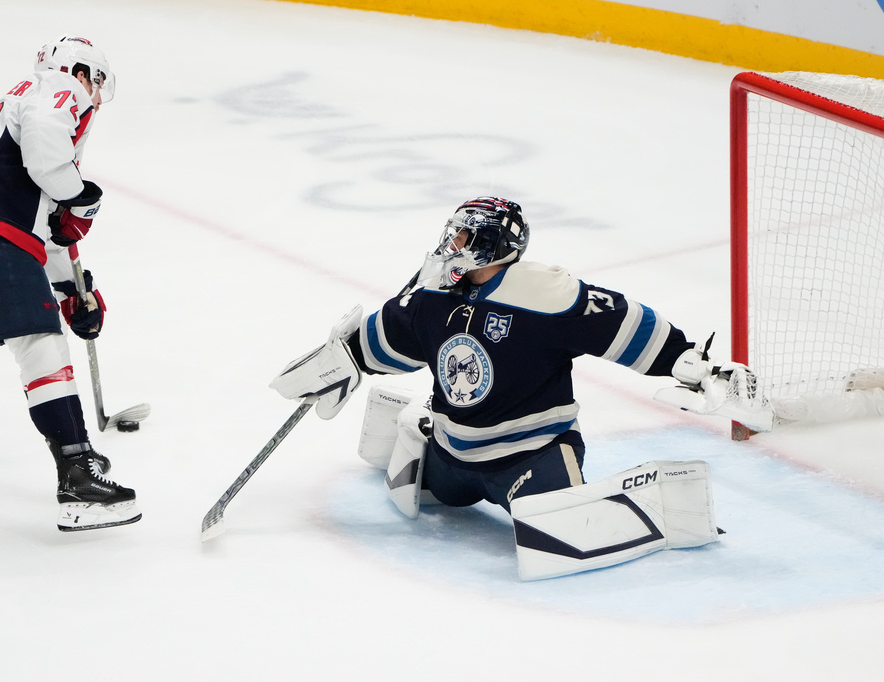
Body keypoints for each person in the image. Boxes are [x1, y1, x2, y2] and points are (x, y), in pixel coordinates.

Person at [271, 196, 770, 579]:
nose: (452, 246)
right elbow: (390, 336)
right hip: (454, 457)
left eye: (464, 237)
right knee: (422, 492)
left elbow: (621, 323)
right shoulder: (433, 294)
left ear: (490, 246)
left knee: (557, 532)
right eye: (453, 234)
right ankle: (425, 436)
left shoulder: (546, 296)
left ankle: (657, 505)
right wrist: (345, 359)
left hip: (529, 457)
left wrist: (689, 364)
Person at [0, 35, 140, 532]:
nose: (97, 99)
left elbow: (48, 228)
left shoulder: (26, 105)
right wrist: (81, 196)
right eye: (98, 83)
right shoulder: (58, 90)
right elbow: (49, 166)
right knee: (41, 345)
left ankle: (76, 458)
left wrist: (72, 292)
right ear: (83, 72)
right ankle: (77, 476)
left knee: (38, 338)